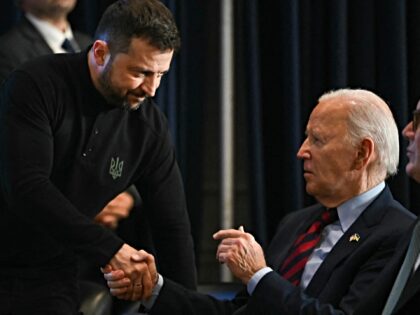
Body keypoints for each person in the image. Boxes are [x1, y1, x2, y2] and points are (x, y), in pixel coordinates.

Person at [104, 88, 416, 315]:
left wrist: (259, 276)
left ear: (362, 153)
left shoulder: (399, 234)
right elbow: (241, 312)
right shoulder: (297, 223)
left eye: (317, 140)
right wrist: (154, 289)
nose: (302, 151)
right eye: (306, 137)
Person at [0, 0, 196, 314]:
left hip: (51, 273)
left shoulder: (149, 127)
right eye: (140, 72)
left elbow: (172, 227)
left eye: (161, 74)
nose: (152, 89)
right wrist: (111, 250)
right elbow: (26, 187)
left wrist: (189, 307)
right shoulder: (35, 85)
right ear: (101, 53)